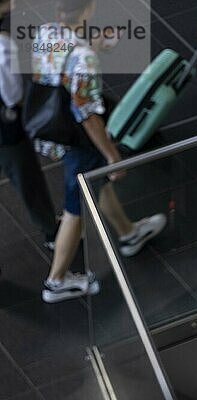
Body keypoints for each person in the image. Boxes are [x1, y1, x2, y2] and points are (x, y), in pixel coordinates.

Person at [32, 0, 166, 303]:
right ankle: (57, 282)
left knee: (94, 187)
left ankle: (129, 233)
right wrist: (112, 156)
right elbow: (88, 116)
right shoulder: (84, 58)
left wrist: (91, 45)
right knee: (74, 207)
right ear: (89, 10)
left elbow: (58, 70)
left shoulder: (46, 32)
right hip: (81, 139)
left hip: (55, 128)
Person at [0, 0, 58, 256]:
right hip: (6, 130)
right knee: (27, 179)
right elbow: (11, 93)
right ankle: (51, 232)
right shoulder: (3, 44)